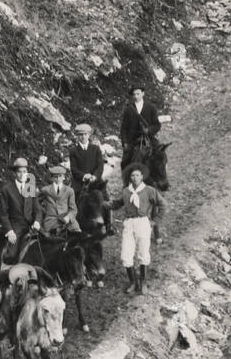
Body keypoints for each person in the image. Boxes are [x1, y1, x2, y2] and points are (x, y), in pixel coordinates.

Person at [111, 161, 164, 296]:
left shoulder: (149, 191)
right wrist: (105, 203)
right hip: (129, 223)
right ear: (130, 178)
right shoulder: (126, 192)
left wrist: (155, 221)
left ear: (142, 177)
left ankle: (143, 282)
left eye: (137, 175)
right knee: (126, 254)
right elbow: (118, 203)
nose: (135, 178)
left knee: (143, 253)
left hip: (142, 223)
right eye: (132, 176)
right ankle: (133, 282)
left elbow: (162, 205)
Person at [0, 157, 39, 262]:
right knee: (12, 254)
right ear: (15, 173)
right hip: (16, 225)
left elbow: (37, 209)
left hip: (31, 225)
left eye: (24, 171)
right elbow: (3, 213)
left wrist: (37, 221)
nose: (22, 174)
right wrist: (10, 231)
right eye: (19, 172)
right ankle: (7, 275)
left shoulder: (30, 187)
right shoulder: (7, 189)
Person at [120, 85, 162, 175]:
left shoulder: (151, 107)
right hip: (132, 140)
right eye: (134, 94)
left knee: (160, 155)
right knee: (125, 162)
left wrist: (149, 130)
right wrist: (125, 142)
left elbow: (157, 125)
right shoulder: (128, 109)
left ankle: (161, 180)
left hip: (148, 138)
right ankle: (127, 182)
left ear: (143, 93)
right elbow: (123, 128)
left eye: (138, 94)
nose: (136, 96)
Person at [34, 164, 80, 237]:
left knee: (78, 238)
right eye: (56, 177)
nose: (58, 179)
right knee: (48, 242)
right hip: (51, 222)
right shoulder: (45, 190)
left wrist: (68, 217)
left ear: (64, 177)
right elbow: (37, 204)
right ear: (51, 178)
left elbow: (73, 209)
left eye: (60, 176)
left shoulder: (69, 191)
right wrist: (38, 219)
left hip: (67, 221)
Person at [68, 123, 105, 201]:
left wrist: (94, 176)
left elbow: (100, 166)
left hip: (95, 181)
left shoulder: (96, 149)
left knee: (104, 199)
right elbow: (73, 169)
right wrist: (84, 176)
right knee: (75, 201)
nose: (83, 137)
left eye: (85, 134)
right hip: (79, 183)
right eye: (81, 135)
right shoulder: (73, 151)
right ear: (77, 136)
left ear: (89, 135)